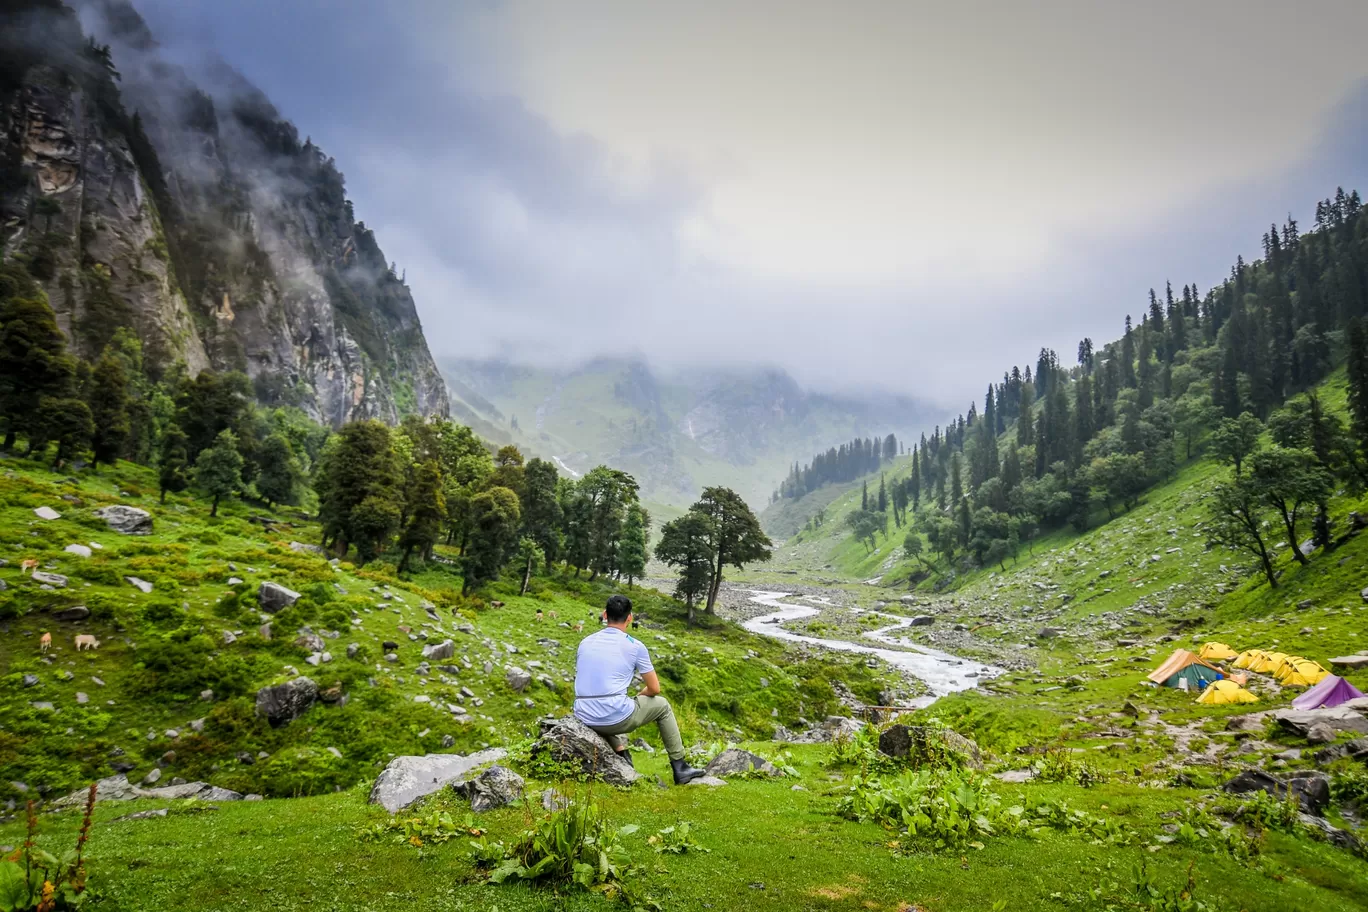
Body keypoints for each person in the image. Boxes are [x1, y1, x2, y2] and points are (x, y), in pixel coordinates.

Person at [573, 594, 705, 785]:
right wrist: (639, 696)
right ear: (630, 618)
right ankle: (680, 766)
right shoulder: (635, 646)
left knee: (602, 705)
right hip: (614, 717)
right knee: (662, 706)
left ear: (604, 615)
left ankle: (621, 753)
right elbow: (655, 688)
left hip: (583, 714)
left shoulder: (584, 642)